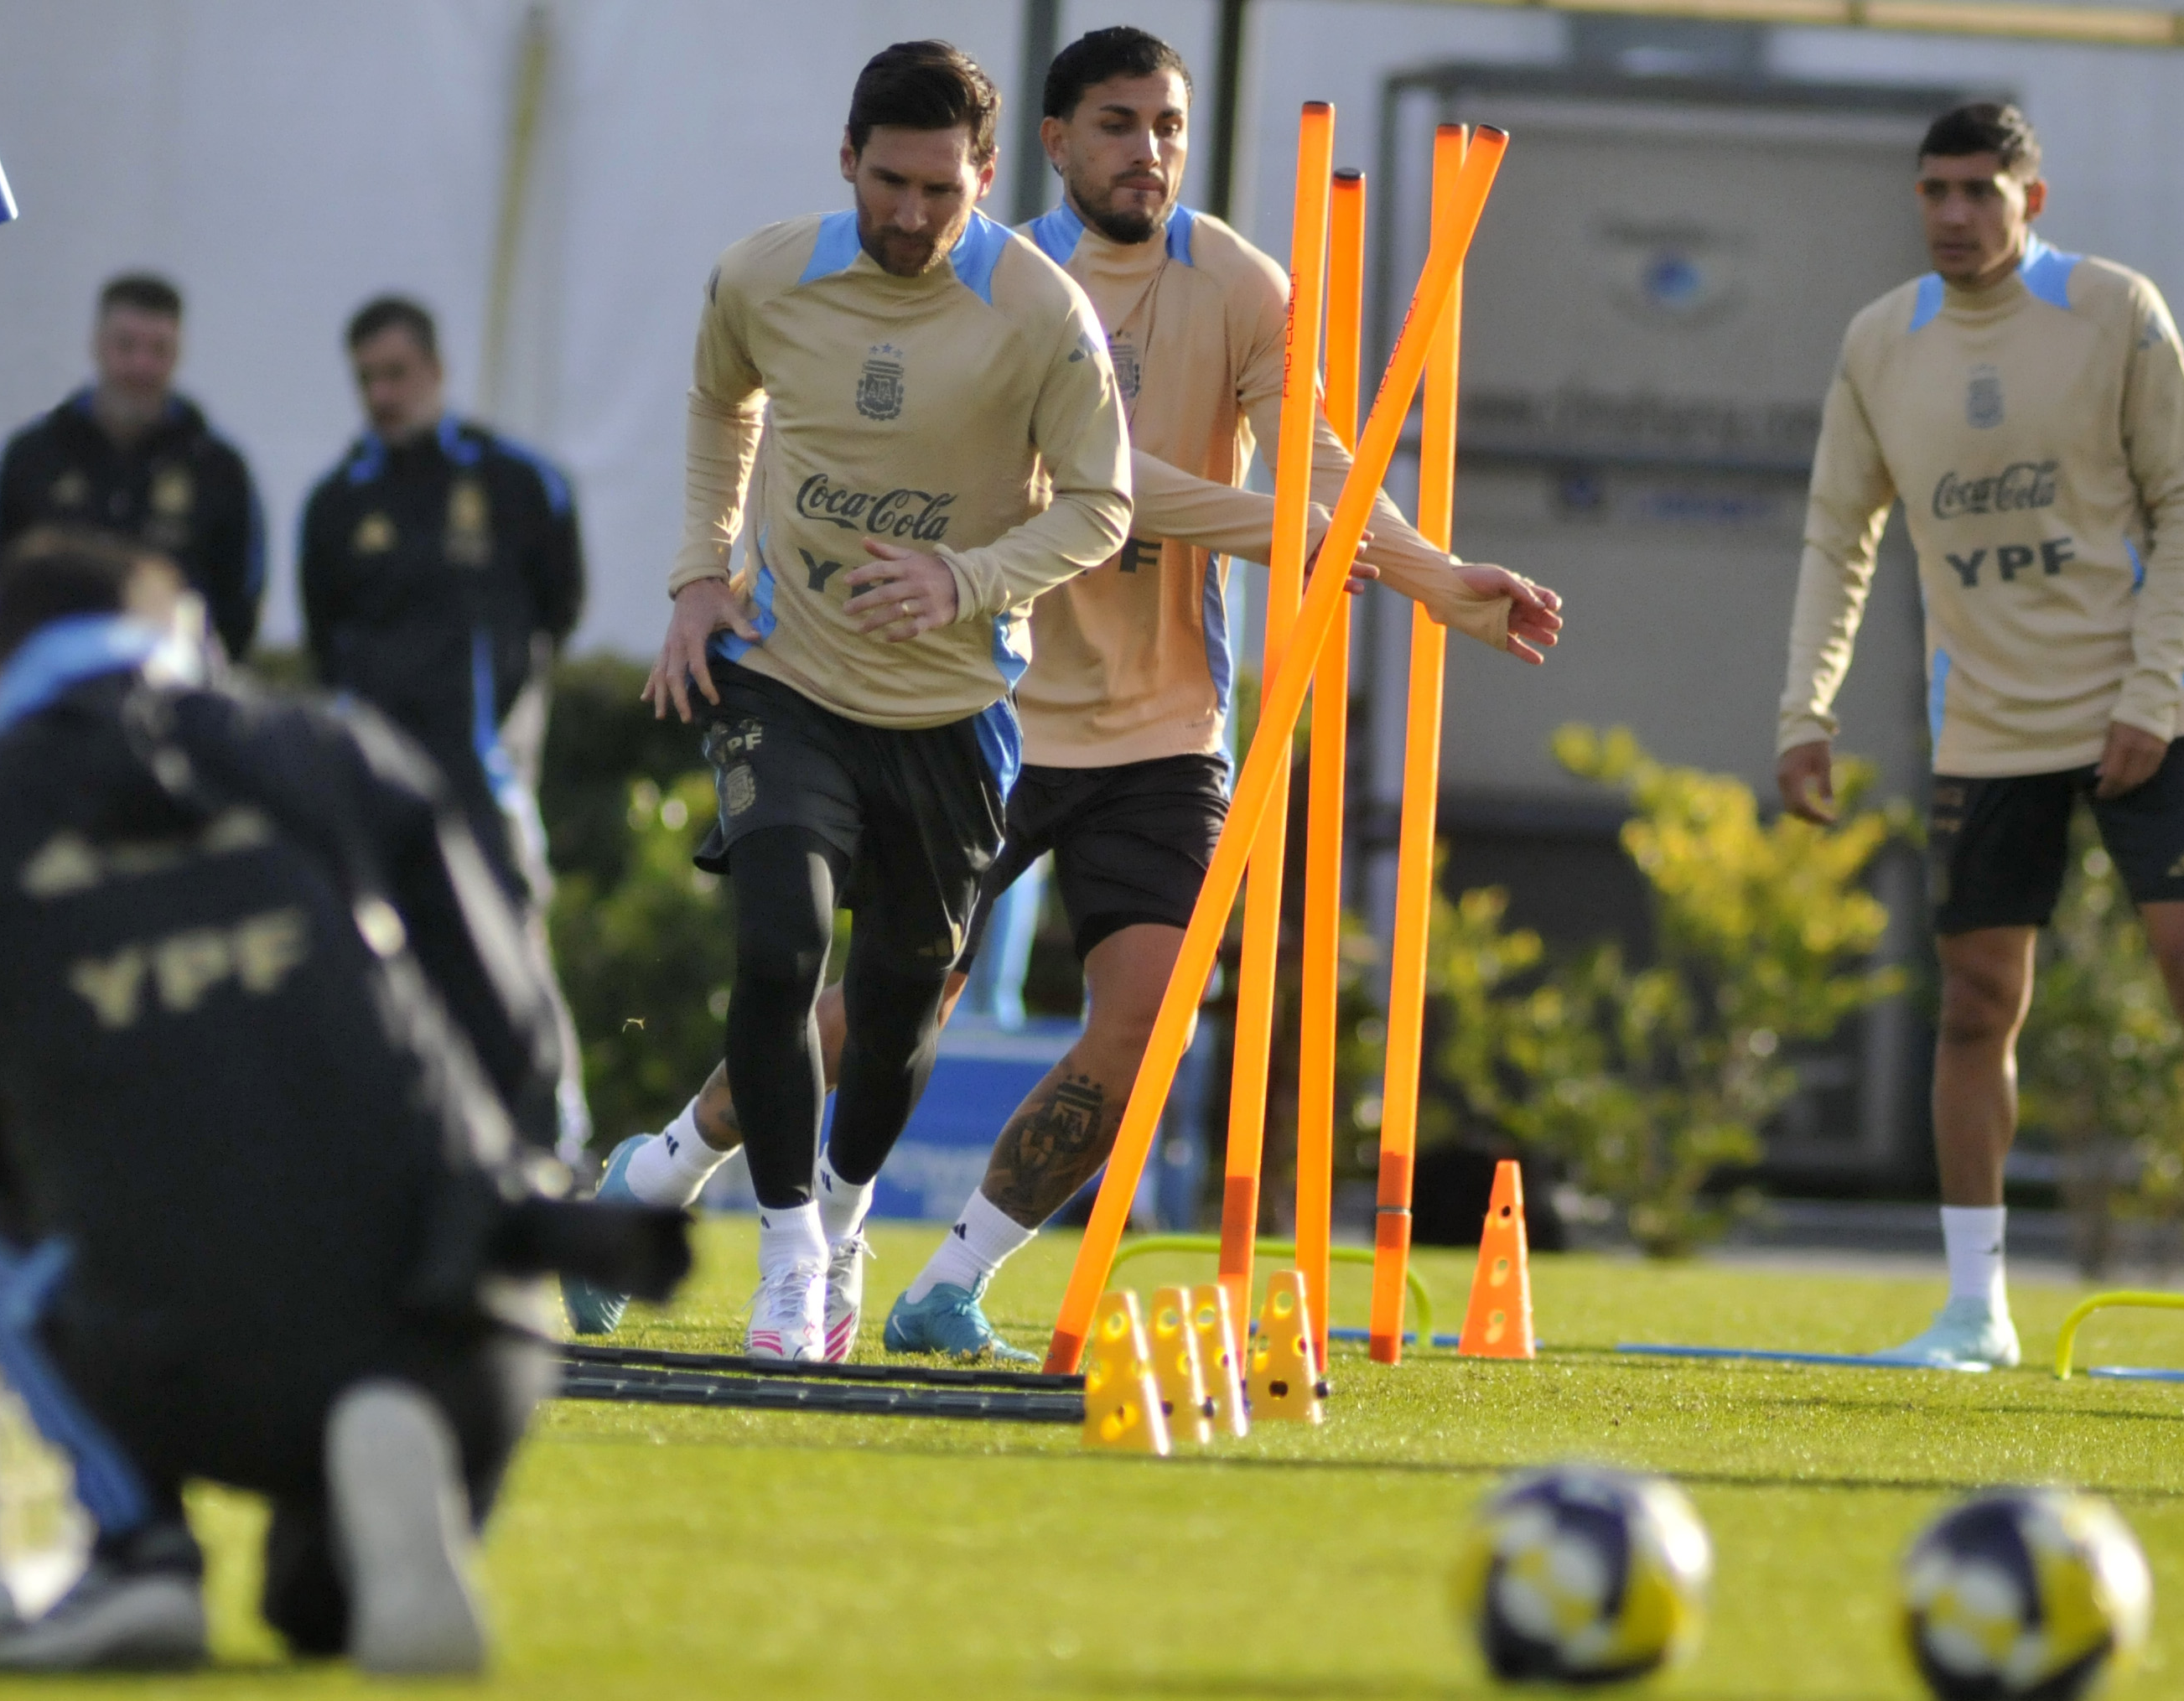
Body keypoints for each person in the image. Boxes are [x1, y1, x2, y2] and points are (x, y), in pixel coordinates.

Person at [569, 26, 1564, 1361]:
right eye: (1114, 123)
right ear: (1047, 143)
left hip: (1164, 723)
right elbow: (1119, 489)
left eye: (1166, 124)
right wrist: (1291, 532)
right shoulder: (999, 275)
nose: (1144, 150)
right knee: (873, 1007)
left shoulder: (1239, 282)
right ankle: (666, 1171)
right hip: (993, 707)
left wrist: (1433, 573)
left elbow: (1328, 459)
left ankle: (955, 1282)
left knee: (1149, 1021)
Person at [0, 532, 687, 1672]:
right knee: (316, 1612)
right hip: (467, 1315)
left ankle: (141, 1548)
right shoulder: (326, 743)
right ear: (190, 644)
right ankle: (387, 1435)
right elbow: (512, 1024)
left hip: (187, 1352)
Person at [1775, 101, 2184, 1373]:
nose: (1956, 215)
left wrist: (2143, 694)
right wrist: (1806, 711)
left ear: (2035, 196)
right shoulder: (1879, 342)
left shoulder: (2117, 311)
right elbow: (1835, 535)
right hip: (1984, 725)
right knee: (1976, 1006)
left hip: (2149, 711)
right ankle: (1976, 1310)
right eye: (1935, 192)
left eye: (1981, 189)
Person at [631, 39, 1134, 1361]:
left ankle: (845, 1218)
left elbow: (1104, 503)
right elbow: (716, 405)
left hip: (954, 709)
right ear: (847, 160)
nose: (912, 216)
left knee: (905, 998)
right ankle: (789, 1254)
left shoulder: (1040, 312)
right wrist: (697, 576)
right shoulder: (762, 275)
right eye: (890, 183)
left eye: (941, 192)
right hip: (784, 673)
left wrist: (965, 575)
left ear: (985, 177)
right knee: (779, 948)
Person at [298, 295, 592, 1157]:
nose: (381, 394)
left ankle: (554, 1133)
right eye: (366, 380)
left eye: (395, 374)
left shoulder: (517, 483)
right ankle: (387, 1136)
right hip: (373, 779)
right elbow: (325, 641)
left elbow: (558, 608)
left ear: (435, 369)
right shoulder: (336, 503)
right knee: (372, 950)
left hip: (486, 771)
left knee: (513, 942)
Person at [0, 273, 266, 659]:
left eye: (159, 349)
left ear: (179, 353)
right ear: (96, 345)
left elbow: (239, 605)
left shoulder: (219, 470)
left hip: (172, 695)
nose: (141, 366)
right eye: (126, 346)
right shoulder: (34, 458)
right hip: (52, 691)